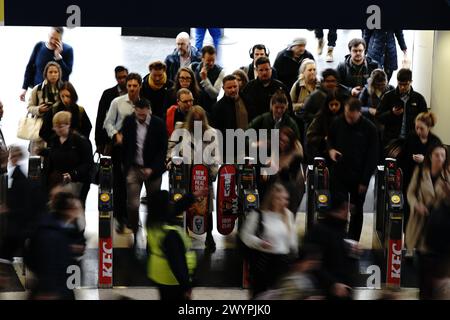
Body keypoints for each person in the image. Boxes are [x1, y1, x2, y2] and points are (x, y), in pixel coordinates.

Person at [167, 106, 221, 251]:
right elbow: (171, 147)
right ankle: (184, 233)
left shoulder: (212, 133)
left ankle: (209, 236)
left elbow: (215, 156)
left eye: (199, 120)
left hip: (203, 173)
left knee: (207, 207)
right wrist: (171, 159)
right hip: (184, 172)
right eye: (194, 119)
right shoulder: (181, 130)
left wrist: (213, 174)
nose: (197, 122)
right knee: (183, 203)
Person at [327, 97, 379, 242]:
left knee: (356, 210)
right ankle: (337, 240)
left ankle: (353, 241)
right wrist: (331, 150)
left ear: (359, 113)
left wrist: (364, 180)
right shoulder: (337, 122)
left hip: (359, 176)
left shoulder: (370, 128)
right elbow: (329, 140)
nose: (349, 119)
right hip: (339, 174)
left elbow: (372, 157)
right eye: (347, 115)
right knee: (338, 208)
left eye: (352, 117)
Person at [121, 98, 168, 252]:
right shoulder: (128, 122)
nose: (140, 116)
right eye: (138, 113)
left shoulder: (158, 124)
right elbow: (126, 145)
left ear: (149, 110)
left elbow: (162, 150)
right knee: (133, 205)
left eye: (143, 113)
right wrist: (126, 165)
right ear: (135, 110)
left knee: (154, 207)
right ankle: (136, 232)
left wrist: (152, 169)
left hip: (153, 170)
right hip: (134, 168)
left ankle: (151, 237)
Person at [405, 144, 450, 299]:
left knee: (433, 273)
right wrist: (416, 205)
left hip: (438, 228)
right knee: (421, 270)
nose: (440, 158)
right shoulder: (420, 172)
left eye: (443, 155)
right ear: (430, 156)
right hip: (419, 223)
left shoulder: (447, 175)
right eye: (437, 155)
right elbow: (410, 193)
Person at [240, 183, 298, 298]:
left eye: (285, 199)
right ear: (271, 199)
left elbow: (292, 241)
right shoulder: (258, 215)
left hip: (283, 264)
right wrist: (260, 243)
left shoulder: (288, 215)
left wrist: (295, 260)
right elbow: (245, 236)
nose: (284, 202)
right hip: (264, 263)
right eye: (279, 198)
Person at [25, 191, 84, 300]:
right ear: (69, 211)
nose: (80, 212)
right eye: (77, 208)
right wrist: (47, 290)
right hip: (50, 291)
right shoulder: (50, 233)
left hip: (61, 287)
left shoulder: (61, 228)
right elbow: (47, 263)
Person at [103, 72, 142, 233]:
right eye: (129, 86)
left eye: (135, 86)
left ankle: (132, 217)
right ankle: (119, 217)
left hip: (137, 149)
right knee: (119, 184)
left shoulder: (144, 104)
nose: (132, 89)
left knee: (133, 185)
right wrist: (116, 134)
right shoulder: (117, 102)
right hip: (120, 148)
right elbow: (108, 123)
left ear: (140, 86)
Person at [304, 194, 360, 300]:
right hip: (326, 292)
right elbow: (313, 264)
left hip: (344, 291)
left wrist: (355, 253)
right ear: (338, 209)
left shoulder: (343, 231)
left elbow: (346, 259)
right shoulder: (318, 232)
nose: (348, 212)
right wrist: (333, 285)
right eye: (346, 208)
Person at [146, 190, 197, 300]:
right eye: (170, 201)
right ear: (165, 206)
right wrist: (186, 287)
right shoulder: (170, 234)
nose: (172, 203)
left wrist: (192, 196)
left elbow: (175, 208)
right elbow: (177, 263)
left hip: (159, 275)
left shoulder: (152, 222)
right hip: (173, 280)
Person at [0, 146, 46, 264]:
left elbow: (24, 204)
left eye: (14, 156)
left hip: (18, 224)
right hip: (20, 224)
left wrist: (8, 209)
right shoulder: (16, 174)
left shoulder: (18, 176)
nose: (12, 159)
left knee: (8, 253)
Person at [40, 111, 93, 213]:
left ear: (68, 124)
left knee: (73, 210)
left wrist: (72, 174)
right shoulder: (54, 140)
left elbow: (87, 163)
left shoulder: (80, 141)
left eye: (60, 126)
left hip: (77, 181)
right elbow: (54, 156)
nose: (57, 129)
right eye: (55, 126)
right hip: (58, 181)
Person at [400, 112, 442, 229]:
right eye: (416, 127)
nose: (418, 131)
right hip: (410, 180)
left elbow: (439, 165)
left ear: (429, 127)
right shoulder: (411, 137)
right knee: (408, 212)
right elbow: (402, 157)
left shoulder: (435, 142)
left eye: (421, 128)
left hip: (427, 184)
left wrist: (425, 160)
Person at [377, 68, 428, 151]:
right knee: (391, 163)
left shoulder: (419, 98)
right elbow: (378, 116)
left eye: (405, 84)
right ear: (397, 81)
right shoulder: (388, 96)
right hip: (391, 140)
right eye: (400, 84)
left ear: (411, 82)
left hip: (412, 141)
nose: (402, 87)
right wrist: (392, 113)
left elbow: (425, 120)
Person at [20, 27, 74, 102]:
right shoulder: (39, 46)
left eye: (56, 39)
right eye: (51, 37)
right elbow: (29, 68)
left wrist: (58, 57)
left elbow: (67, 72)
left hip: (58, 95)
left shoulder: (67, 50)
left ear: (61, 39)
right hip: (38, 92)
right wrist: (24, 88)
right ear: (48, 35)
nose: (52, 41)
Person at [262, 127, 305, 215]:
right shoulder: (276, 147)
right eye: (280, 140)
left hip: (290, 188)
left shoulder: (296, 154)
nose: (282, 143)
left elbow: (287, 175)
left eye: (286, 142)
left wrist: (276, 167)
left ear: (290, 143)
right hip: (275, 186)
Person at [27, 61, 63, 155]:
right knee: (38, 159)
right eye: (50, 72)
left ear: (59, 74)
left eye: (56, 72)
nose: (53, 75)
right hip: (40, 128)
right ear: (45, 74)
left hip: (59, 128)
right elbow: (29, 107)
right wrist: (39, 109)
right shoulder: (37, 89)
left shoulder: (64, 89)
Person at [211, 75, 249, 162]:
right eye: (229, 87)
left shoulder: (247, 101)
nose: (233, 90)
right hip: (228, 152)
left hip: (247, 148)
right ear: (223, 88)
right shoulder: (217, 107)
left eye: (235, 86)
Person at [243, 56, 292, 121]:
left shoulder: (280, 87)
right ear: (257, 71)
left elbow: (289, 109)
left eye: (267, 69)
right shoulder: (249, 88)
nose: (264, 73)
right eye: (261, 70)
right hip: (256, 126)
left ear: (271, 70)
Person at [95, 66, 128, 156]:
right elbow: (100, 118)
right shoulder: (107, 94)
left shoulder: (134, 93)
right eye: (119, 78)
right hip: (110, 138)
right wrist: (98, 142)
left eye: (124, 77)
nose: (122, 80)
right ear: (116, 78)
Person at [306, 93, 344, 163]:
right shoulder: (320, 116)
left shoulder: (345, 116)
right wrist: (324, 140)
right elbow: (310, 136)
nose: (334, 107)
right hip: (322, 152)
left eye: (336, 104)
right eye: (331, 105)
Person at [290, 58, 320, 144]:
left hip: (316, 119)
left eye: (314, 69)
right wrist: (303, 105)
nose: (312, 72)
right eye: (309, 70)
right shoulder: (297, 85)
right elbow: (290, 105)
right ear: (303, 72)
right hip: (301, 119)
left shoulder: (320, 84)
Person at [191, 45, 225, 115]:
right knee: (198, 126)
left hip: (210, 109)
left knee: (210, 125)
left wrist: (205, 79)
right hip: (196, 108)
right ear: (202, 58)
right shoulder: (193, 67)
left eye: (213, 60)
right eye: (208, 60)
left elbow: (214, 94)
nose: (211, 63)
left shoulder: (220, 71)